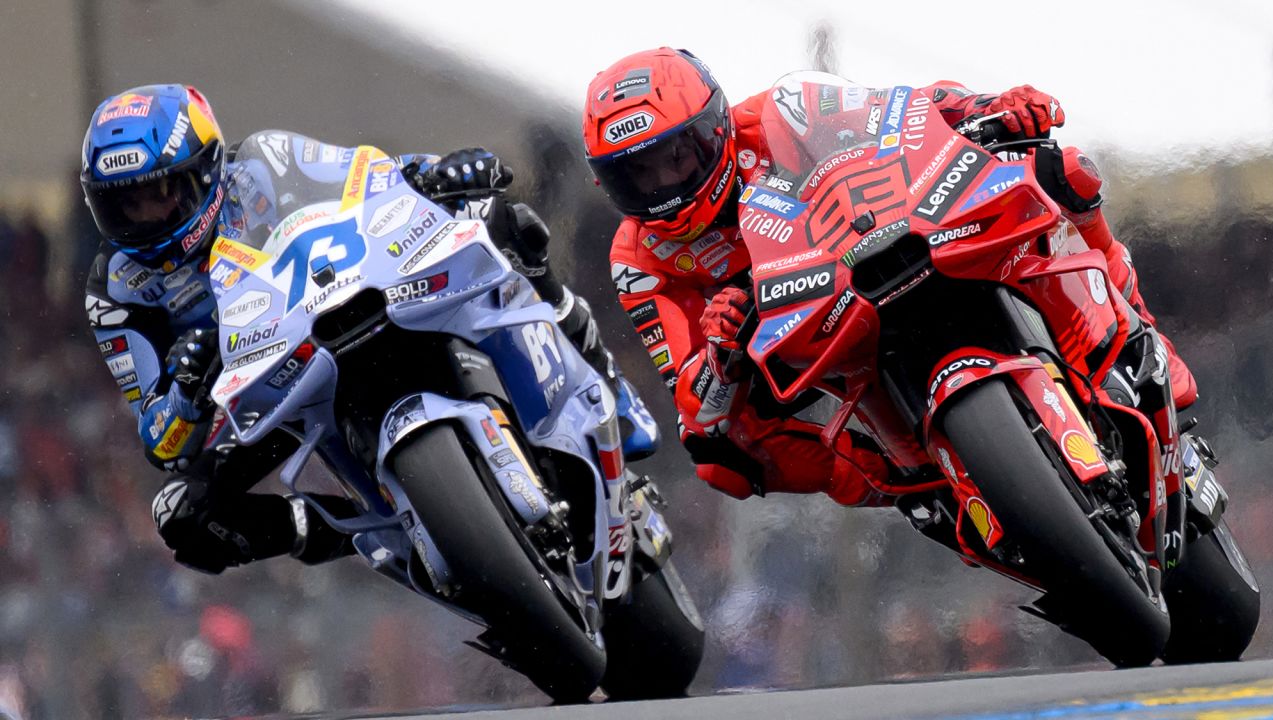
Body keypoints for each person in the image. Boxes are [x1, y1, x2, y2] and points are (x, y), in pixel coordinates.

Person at [82, 84, 657, 574]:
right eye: (125, 205)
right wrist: (186, 392)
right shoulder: (114, 290)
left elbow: (367, 174)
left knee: (504, 220)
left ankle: (609, 389)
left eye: (159, 194)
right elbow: (162, 442)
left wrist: (436, 173)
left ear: (206, 169)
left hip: (345, 303)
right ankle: (353, 533)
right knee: (182, 514)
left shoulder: (263, 165)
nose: (146, 216)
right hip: (263, 389)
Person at [581, 47, 1197, 504]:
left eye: (675, 156)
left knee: (1063, 169)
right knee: (721, 460)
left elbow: (903, 111)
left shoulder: (778, 114)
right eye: (637, 176)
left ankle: (1133, 334)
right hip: (800, 340)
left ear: (714, 126)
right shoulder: (637, 259)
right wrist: (720, 354)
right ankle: (903, 483)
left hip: (882, 243)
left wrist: (987, 108)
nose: (663, 185)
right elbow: (696, 410)